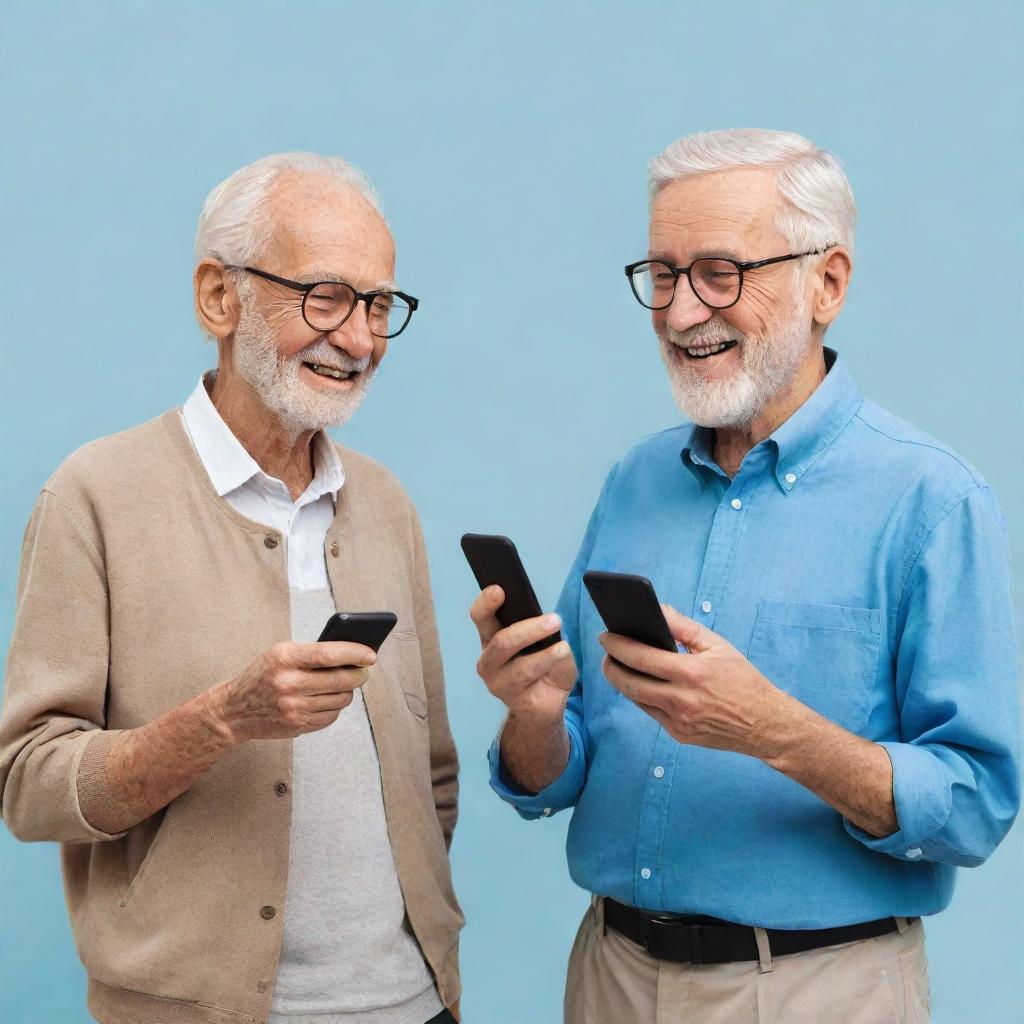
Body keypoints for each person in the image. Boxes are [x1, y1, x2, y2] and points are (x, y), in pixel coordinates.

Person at [471, 128, 1019, 1023]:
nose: (683, 311)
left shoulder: (933, 500)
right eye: (662, 274)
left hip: (816, 991)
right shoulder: (634, 481)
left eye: (721, 273)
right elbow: (556, 767)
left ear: (828, 282)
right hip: (608, 977)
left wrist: (775, 731)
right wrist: (533, 715)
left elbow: (974, 808)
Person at [0, 152, 462, 1024]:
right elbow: (28, 783)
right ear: (219, 297)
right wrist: (218, 723)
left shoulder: (386, 503)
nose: (360, 338)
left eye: (378, 306)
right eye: (324, 296)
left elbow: (432, 771)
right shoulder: (93, 495)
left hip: (416, 1006)